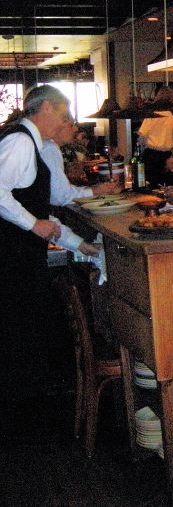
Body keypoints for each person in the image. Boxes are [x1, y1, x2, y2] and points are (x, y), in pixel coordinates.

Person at [0, 86, 74, 411]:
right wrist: (34, 224)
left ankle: (26, 398)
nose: (64, 121)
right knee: (19, 323)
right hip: (12, 253)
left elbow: (29, 200)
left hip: (20, 252)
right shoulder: (20, 142)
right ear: (46, 108)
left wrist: (66, 236)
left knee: (24, 322)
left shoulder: (29, 141)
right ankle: (23, 407)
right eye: (62, 113)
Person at [40, 113, 117, 256]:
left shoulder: (47, 146)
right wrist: (95, 191)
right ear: (57, 126)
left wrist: (78, 244)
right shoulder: (49, 148)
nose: (75, 129)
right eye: (71, 124)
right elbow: (60, 196)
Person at [138, 109, 173, 188]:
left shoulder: (148, 119)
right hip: (166, 155)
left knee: (148, 183)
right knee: (166, 184)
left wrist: (143, 150)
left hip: (149, 154)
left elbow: (141, 138)